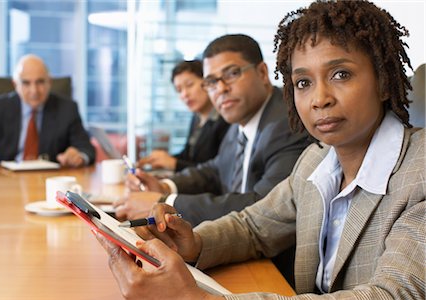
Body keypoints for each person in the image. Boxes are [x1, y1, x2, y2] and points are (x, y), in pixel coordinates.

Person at [95, 1, 425, 299]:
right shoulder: (317, 161)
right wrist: (195, 243)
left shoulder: (419, 173)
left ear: (383, 81)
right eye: (303, 82)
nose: (318, 98)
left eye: (341, 74)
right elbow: (254, 228)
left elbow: (394, 293)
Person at [115, 34, 310, 226]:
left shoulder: (288, 123)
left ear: (262, 72)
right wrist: (165, 186)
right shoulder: (239, 119)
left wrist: (164, 203)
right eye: (211, 82)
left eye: (232, 74)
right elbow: (216, 170)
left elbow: (263, 207)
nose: (221, 89)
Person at [0, 54, 96, 167]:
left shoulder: (67, 109)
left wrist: (78, 156)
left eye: (40, 82)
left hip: (48, 180)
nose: (34, 91)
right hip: (4, 180)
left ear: (49, 82)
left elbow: (86, 149)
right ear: (15, 84)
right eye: (26, 83)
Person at [137, 60, 230, 172]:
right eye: (179, 90)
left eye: (189, 85)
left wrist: (174, 163)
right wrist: (164, 159)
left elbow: (215, 172)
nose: (184, 94)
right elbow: (188, 156)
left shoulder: (225, 121)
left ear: (207, 82)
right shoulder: (196, 118)